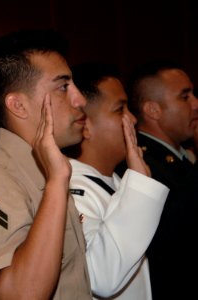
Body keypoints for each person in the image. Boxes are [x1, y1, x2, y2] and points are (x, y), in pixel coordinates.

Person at [0, 28, 92, 299]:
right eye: (63, 87)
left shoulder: (40, 172)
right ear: (18, 105)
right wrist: (57, 181)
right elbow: (21, 293)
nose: (79, 99)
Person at [65, 62, 169, 299]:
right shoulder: (73, 189)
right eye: (120, 109)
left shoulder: (114, 179)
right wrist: (141, 183)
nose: (132, 119)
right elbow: (103, 275)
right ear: (85, 125)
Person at [117, 60, 198, 299]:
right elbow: (176, 238)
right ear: (153, 110)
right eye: (185, 97)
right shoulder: (140, 163)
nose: (196, 104)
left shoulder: (181, 158)